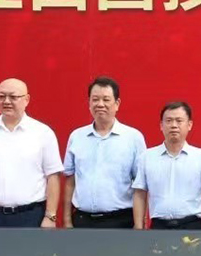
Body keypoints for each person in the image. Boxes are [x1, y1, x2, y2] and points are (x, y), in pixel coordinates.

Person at [0, 78, 62, 228]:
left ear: (26, 99)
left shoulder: (43, 133)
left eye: (13, 97)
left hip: (31, 216)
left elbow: (53, 176)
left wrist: (51, 216)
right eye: (1, 96)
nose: (6, 101)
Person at [62, 76, 145, 229]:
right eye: (95, 99)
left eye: (106, 99)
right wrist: (67, 220)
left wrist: (139, 224)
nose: (100, 104)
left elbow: (140, 185)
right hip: (82, 220)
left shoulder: (133, 138)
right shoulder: (77, 137)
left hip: (121, 221)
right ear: (89, 103)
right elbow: (70, 181)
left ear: (117, 103)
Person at [133, 102, 201, 230]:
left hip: (192, 226)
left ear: (189, 125)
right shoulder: (147, 157)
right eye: (168, 121)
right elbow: (140, 194)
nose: (174, 125)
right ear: (161, 125)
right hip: (159, 226)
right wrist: (139, 228)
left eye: (179, 121)